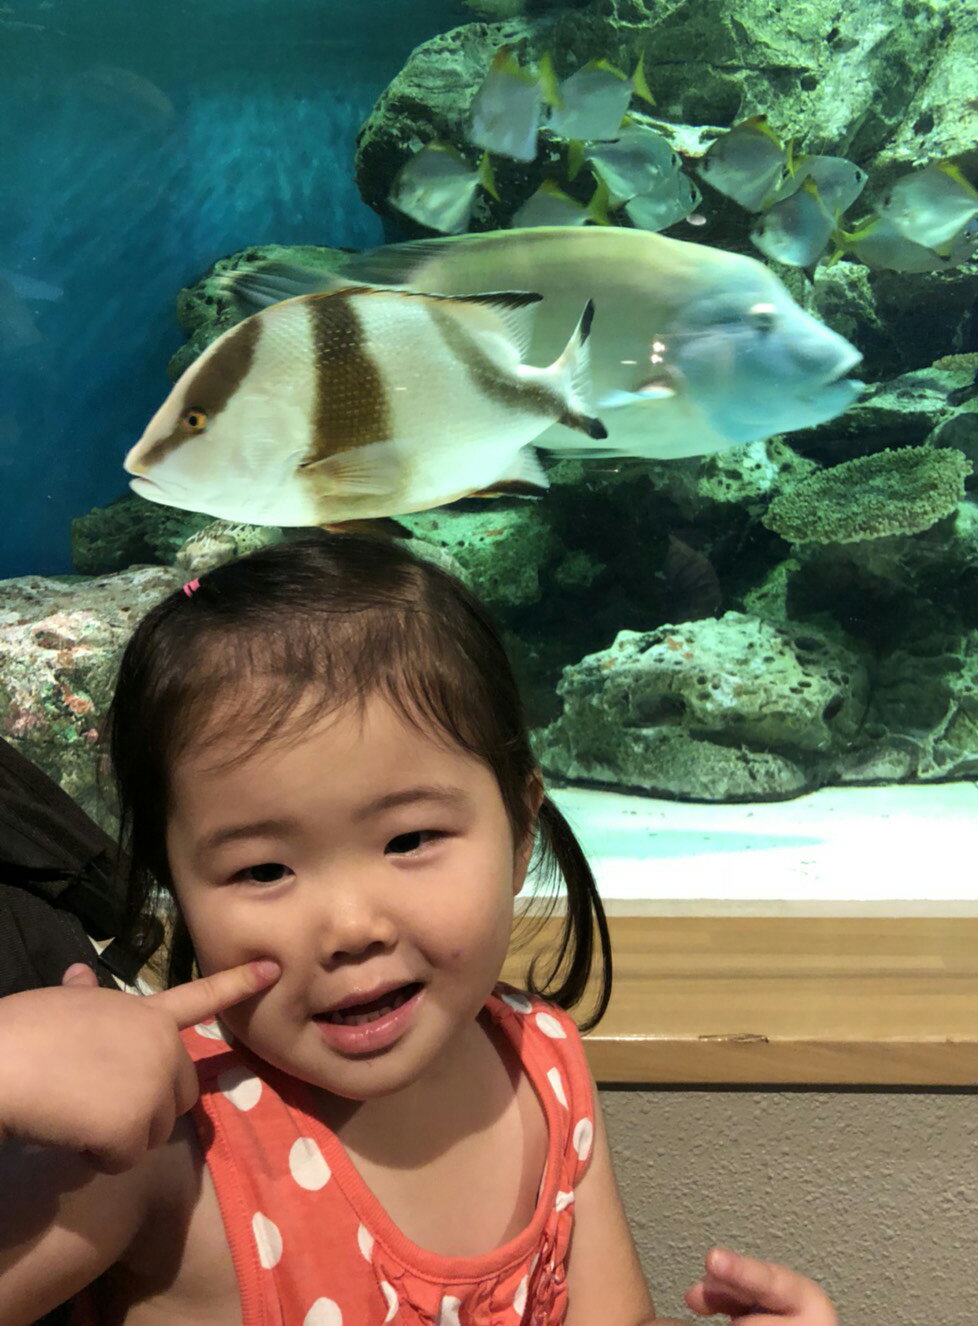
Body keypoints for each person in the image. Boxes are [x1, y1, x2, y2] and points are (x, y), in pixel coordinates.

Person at [0, 535, 838, 1325]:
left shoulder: (546, 1063)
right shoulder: (164, 1139)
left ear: (520, 829)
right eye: (263, 870)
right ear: (174, 884)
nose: (350, 928)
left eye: (409, 841)